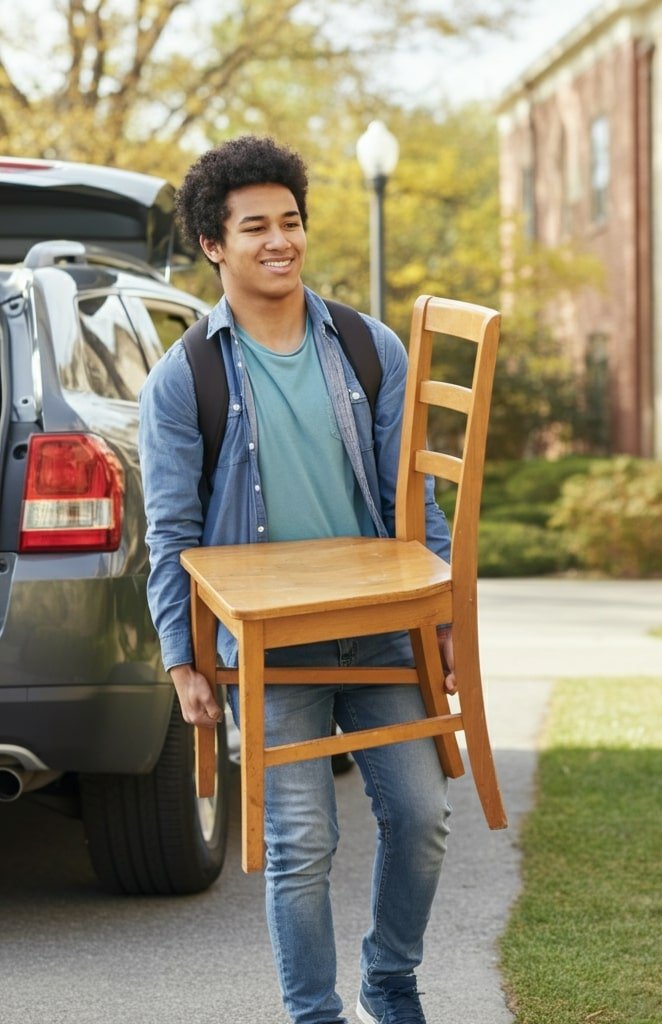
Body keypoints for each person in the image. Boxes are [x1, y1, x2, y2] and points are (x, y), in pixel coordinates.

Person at [139, 135, 454, 1024]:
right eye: (255, 228)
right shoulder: (184, 380)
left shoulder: (368, 347)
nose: (280, 241)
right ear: (214, 244)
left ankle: (390, 981)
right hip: (271, 650)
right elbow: (172, 535)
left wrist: (442, 618)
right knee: (301, 844)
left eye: (291, 222)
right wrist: (181, 657)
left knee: (423, 819)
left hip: (380, 632)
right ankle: (315, 1015)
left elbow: (414, 501)